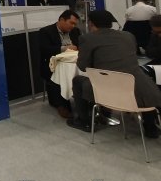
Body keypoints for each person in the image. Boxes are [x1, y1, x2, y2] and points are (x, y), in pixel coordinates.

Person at [68, 10, 161, 138]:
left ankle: (84, 121)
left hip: (108, 90)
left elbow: (82, 66)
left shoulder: (87, 38)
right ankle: (151, 127)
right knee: (140, 82)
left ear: (91, 23)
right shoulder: (128, 36)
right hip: (138, 88)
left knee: (78, 80)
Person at [39, 10, 81, 119]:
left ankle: (83, 103)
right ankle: (61, 104)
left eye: (75, 24)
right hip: (53, 64)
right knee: (59, 75)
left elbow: (80, 45)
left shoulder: (75, 31)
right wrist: (64, 49)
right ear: (62, 20)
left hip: (73, 63)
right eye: (71, 23)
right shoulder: (46, 31)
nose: (73, 26)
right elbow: (44, 50)